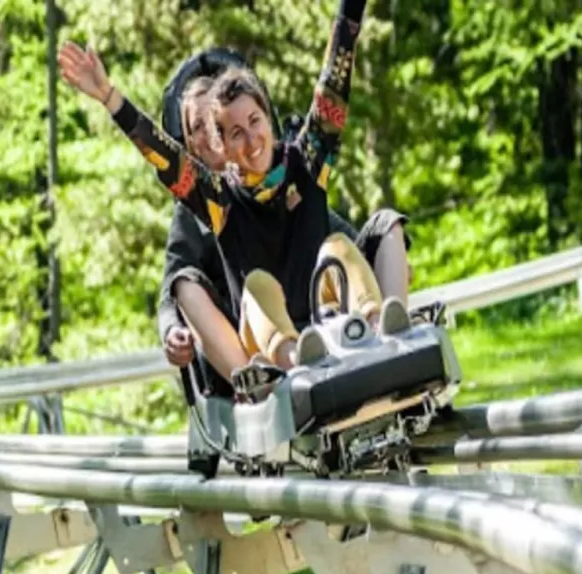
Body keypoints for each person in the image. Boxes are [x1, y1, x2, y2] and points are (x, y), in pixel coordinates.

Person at [59, 0, 405, 378]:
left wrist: (351, 9)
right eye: (236, 133)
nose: (251, 140)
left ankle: (384, 333)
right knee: (259, 284)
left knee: (341, 244)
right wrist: (110, 97)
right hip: (273, 350)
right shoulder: (218, 200)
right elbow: (161, 154)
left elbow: (333, 83)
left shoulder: (307, 160)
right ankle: (301, 364)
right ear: (221, 146)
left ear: (269, 120)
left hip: (330, 311)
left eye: (255, 122)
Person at [154, 51, 412, 388]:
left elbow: (325, 232)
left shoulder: (284, 172)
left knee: (372, 232)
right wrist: (171, 328)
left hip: (310, 301)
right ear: (188, 142)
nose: (208, 134)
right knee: (196, 284)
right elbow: (172, 283)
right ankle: (258, 381)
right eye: (197, 126)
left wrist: (380, 260)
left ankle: (390, 338)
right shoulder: (191, 212)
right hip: (244, 326)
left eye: (211, 120)